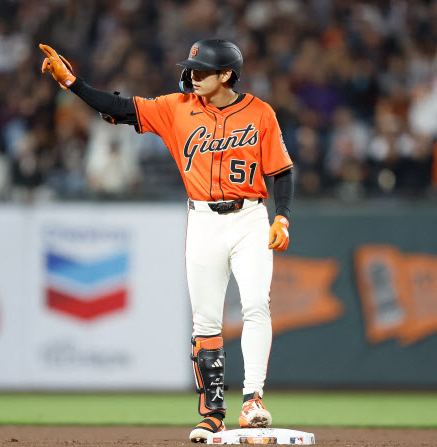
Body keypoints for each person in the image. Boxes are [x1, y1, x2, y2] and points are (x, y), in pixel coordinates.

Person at [39, 39, 294, 443]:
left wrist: (282, 216)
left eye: (202, 70)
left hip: (250, 217)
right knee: (205, 320)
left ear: (226, 74)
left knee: (255, 305)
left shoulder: (260, 113)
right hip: (203, 219)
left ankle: (252, 400)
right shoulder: (176, 108)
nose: (192, 75)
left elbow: (281, 171)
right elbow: (120, 108)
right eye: (191, 68)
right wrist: (72, 83)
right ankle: (213, 415)